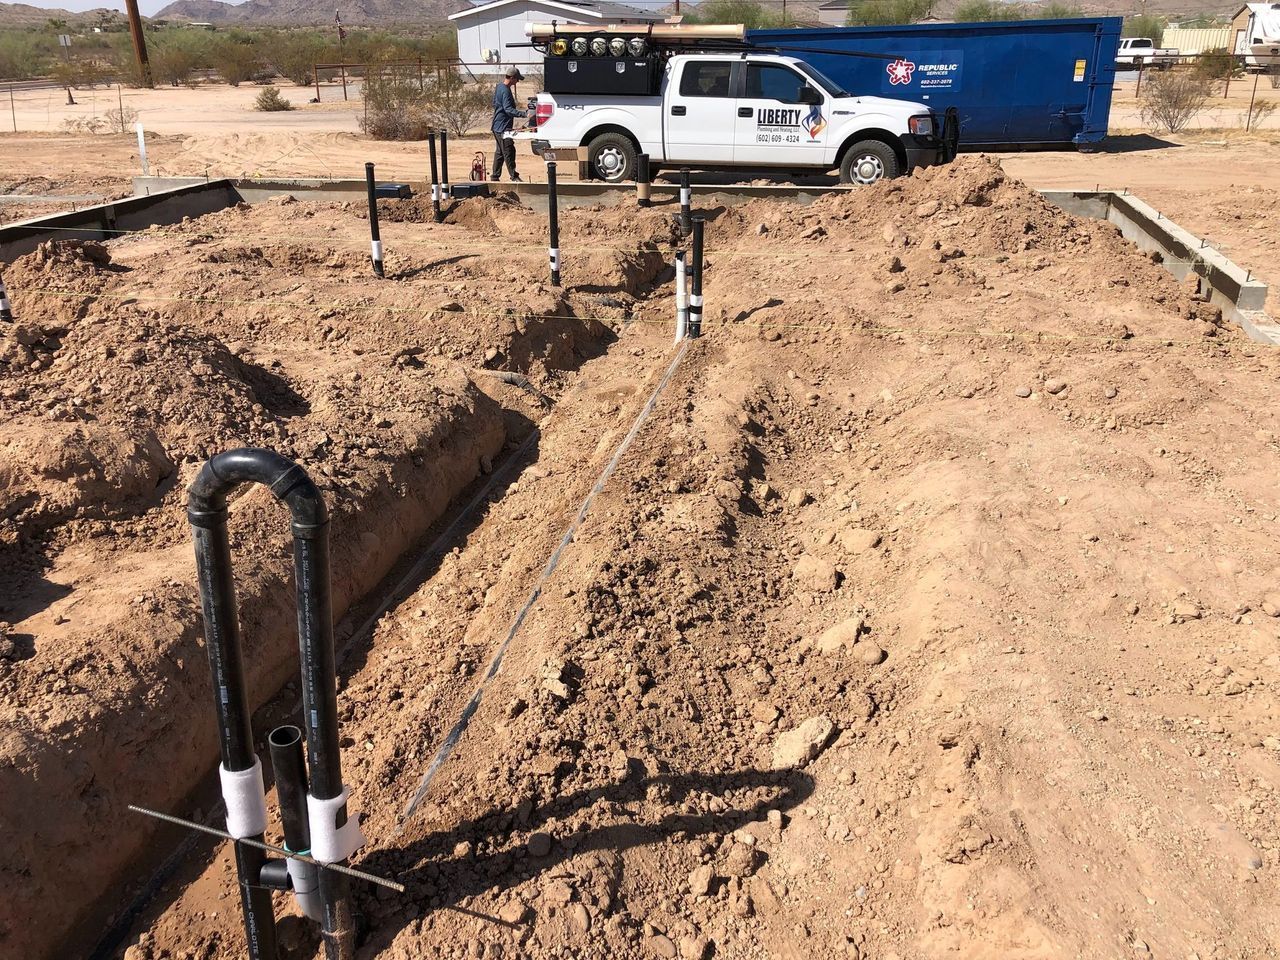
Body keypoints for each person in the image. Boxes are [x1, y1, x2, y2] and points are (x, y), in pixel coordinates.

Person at [491, 66, 528, 182]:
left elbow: (496, 104)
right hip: (502, 127)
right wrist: (524, 114)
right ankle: (514, 176)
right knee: (509, 151)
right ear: (512, 78)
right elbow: (508, 109)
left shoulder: (499, 87)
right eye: (517, 79)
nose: (517, 81)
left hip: (497, 125)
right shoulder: (505, 91)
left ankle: (495, 176)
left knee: (500, 152)